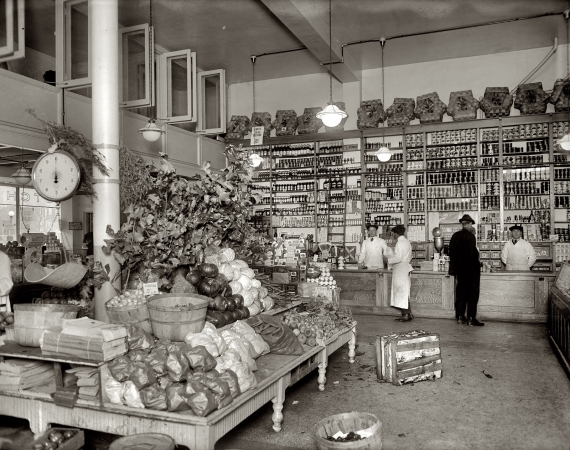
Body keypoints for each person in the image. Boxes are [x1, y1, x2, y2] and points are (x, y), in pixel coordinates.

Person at [448, 214, 484, 326]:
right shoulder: (470, 236)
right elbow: (473, 254)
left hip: (460, 271)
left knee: (461, 294)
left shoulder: (455, 236)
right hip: (471, 271)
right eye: (471, 224)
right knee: (472, 295)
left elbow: (451, 253)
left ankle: (460, 317)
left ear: (462, 224)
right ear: (469, 224)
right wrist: (479, 264)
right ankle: (471, 318)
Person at [385, 225, 414, 321]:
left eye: (393, 234)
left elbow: (398, 258)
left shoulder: (400, 243)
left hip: (401, 269)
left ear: (396, 234)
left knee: (401, 292)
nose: (392, 236)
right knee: (404, 292)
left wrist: (388, 259)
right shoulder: (406, 242)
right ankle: (409, 313)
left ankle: (405, 315)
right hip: (404, 268)